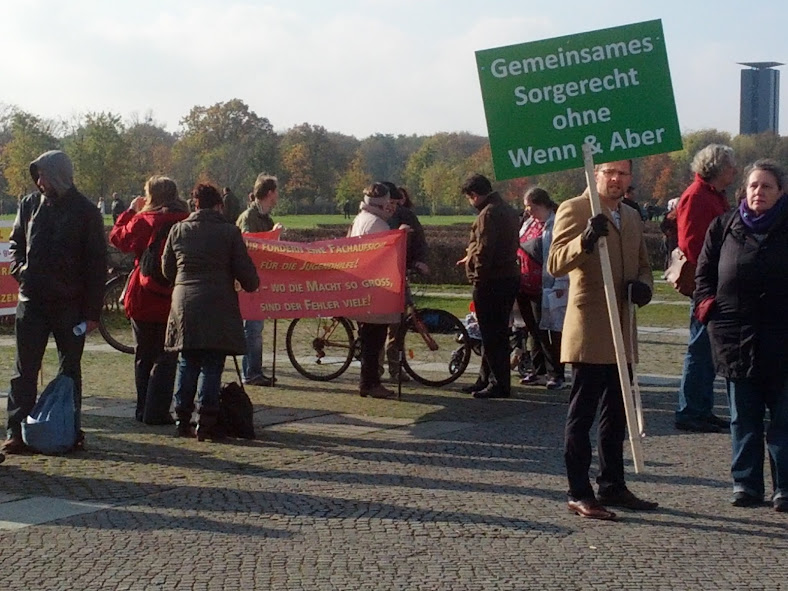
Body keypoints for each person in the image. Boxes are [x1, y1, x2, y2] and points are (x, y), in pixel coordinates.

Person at [548, 159, 656, 520]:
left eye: (623, 174)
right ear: (595, 174)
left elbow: (643, 264)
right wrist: (585, 240)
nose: (616, 179)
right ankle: (578, 491)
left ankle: (612, 483)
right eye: (609, 172)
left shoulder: (632, 215)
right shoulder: (575, 208)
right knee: (583, 414)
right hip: (590, 327)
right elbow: (555, 263)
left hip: (623, 327)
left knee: (617, 413)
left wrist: (644, 287)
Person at [695, 159, 788, 512]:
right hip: (736, 337)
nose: (758, 192)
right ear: (743, 191)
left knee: (783, 418)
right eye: (753, 186)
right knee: (743, 417)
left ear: (780, 192)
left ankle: (785, 487)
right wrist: (708, 310)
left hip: (783, 337)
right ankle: (746, 483)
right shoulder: (724, 226)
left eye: (766, 186)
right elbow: (704, 274)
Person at [2, 150, 107, 454]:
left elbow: (95, 265)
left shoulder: (85, 211)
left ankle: (68, 429)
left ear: (58, 174)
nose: (39, 180)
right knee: (24, 370)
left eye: (44, 175)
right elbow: (16, 243)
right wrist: (22, 271)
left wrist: (92, 313)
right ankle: (16, 430)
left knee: (69, 370)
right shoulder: (29, 204)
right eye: (37, 175)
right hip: (32, 301)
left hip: (69, 305)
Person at [163, 183, 259, 440]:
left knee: (187, 361)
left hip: (185, 303)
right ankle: (206, 423)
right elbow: (248, 277)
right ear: (219, 205)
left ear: (195, 204)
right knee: (213, 364)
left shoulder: (178, 230)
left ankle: (181, 419)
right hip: (218, 303)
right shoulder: (229, 232)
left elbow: (167, 270)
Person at [109, 176, 189, 424]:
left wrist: (130, 210)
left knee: (143, 356)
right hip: (174, 298)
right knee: (168, 357)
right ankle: (160, 410)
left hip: (144, 295)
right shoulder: (185, 221)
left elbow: (117, 239)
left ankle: (143, 408)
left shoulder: (143, 220)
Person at [675, 144, 737, 433]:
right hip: (707, 284)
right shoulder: (697, 196)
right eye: (729, 166)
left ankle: (701, 407)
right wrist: (711, 275)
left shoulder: (712, 195)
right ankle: (690, 410)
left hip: (715, 280)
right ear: (716, 168)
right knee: (700, 347)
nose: (734, 171)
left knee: (707, 348)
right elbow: (692, 244)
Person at [458, 174, 520, 399]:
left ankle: (498, 383)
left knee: (492, 334)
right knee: (493, 332)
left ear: (473, 195)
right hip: (508, 277)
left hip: (492, 280)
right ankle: (485, 378)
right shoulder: (508, 209)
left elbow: (485, 250)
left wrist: (478, 278)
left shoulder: (489, 214)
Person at [348, 182, 400, 399]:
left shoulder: (360, 219)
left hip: (361, 288)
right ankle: (370, 383)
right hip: (374, 290)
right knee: (374, 340)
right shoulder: (378, 225)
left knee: (368, 338)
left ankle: (367, 382)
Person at [517, 188, 568, 390]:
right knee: (533, 330)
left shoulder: (556, 224)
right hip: (525, 285)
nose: (527, 210)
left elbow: (560, 255)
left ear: (542, 204)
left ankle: (557, 374)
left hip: (546, 285)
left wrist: (560, 284)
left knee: (550, 331)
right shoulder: (529, 223)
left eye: (530, 206)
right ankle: (538, 371)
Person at [236, 174, 283, 387]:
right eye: (276, 191)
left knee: (256, 327)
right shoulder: (249, 218)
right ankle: (251, 372)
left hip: (260, 279)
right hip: (248, 279)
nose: (278, 196)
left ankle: (255, 369)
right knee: (252, 327)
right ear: (270, 193)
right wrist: (272, 236)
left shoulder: (266, 218)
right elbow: (250, 246)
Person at [380, 183, 430, 383]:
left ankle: (393, 368)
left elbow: (420, 241)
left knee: (397, 325)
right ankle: (376, 371)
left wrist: (420, 261)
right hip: (380, 279)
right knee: (381, 326)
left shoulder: (405, 215)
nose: (392, 205)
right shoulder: (372, 218)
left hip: (398, 275)